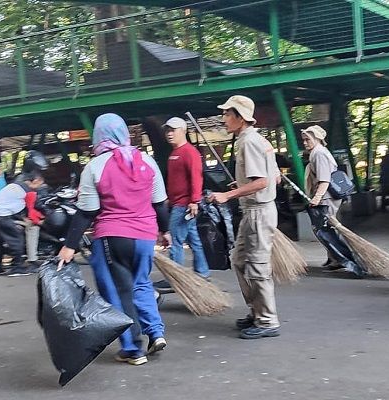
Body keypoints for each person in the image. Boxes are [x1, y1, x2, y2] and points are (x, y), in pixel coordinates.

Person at [57, 113, 171, 365]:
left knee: (119, 292)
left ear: (99, 136)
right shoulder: (147, 161)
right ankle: (155, 331)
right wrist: (165, 230)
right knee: (140, 284)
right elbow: (160, 203)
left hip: (113, 237)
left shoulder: (95, 166)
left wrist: (69, 246)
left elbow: (86, 211)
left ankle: (133, 349)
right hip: (144, 236)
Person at [208, 95, 281, 340]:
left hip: (258, 212)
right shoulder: (258, 140)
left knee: (258, 267)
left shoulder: (249, 142)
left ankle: (268, 321)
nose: (224, 119)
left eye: (227, 114)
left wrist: (229, 194)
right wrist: (240, 184)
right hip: (255, 211)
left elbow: (262, 181)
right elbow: (276, 177)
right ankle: (257, 311)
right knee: (238, 260)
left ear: (240, 117)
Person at [156, 117, 210, 289]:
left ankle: (175, 278)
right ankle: (202, 272)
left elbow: (196, 178)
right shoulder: (175, 153)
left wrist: (194, 201)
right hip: (179, 204)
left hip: (184, 205)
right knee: (194, 239)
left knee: (175, 240)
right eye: (167, 130)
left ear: (183, 131)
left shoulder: (189, 152)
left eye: (173, 130)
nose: (169, 134)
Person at [302, 125, 361, 275]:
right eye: (303, 139)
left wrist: (317, 197)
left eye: (307, 139)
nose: (304, 142)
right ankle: (334, 258)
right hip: (326, 195)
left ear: (317, 139)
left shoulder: (319, 154)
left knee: (326, 229)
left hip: (326, 196)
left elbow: (324, 180)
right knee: (326, 228)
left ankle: (345, 259)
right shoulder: (317, 153)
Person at [0, 171, 45, 277]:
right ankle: (17, 268)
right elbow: (31, 210)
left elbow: (12, 204)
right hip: (0, 214)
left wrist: (22, 218)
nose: (39, 187)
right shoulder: (28, 191)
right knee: (17, 238)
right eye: (40, 184)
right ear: (36, 181)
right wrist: (39, 220)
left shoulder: (14, 186)